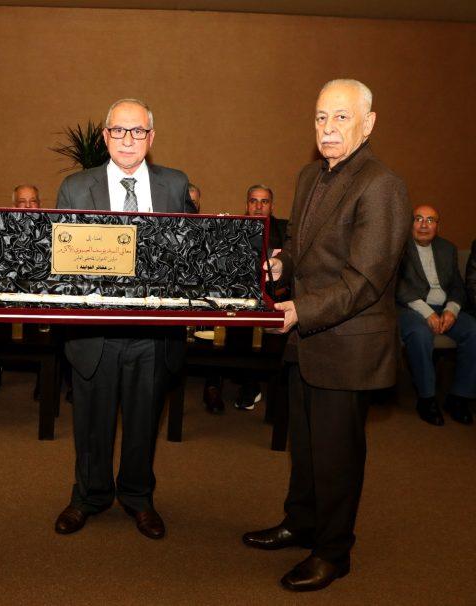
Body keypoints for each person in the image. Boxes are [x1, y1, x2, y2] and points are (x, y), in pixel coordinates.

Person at [242, 79, 410, 591]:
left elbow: (365, 280)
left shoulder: (381, 185)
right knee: (306, 446)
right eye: (320, 117)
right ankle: (301, 523)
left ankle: (334, 552)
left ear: (368, 123)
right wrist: (282, 264)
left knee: (337, 457)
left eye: (341, 117)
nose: (328, 128)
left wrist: (300, 310)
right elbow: (302, 245)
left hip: (347, 344)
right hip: (308, 340)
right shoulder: (309, 175)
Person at [54, 98, 193, 540]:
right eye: (118, 130)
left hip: (154, 332)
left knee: (142, 423)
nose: (127, 139)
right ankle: (88, 497)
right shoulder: (76, 187)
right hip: (94, 331)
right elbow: (59, 261)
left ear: (151, 138)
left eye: (137, 131)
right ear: (105, 136)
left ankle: (138, 497)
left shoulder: (175, 185)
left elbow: (189, 253)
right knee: (91, 423)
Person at [203, 184, 289, 413]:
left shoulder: (284, 231)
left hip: (273, 296)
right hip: (237, 295)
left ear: (272, 206)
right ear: (247, 204)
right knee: (219, 313)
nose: (259, 206)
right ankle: (213, 385)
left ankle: (249, 384)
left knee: (250, 322)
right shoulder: (235, 228)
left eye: (264, 201)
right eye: (253, 201)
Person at [396, 205, 476, 425]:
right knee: (420, 334)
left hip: (444, 307)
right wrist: (427, 312)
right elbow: (398, 286)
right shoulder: (399, 248)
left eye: (430, 220)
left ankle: (458, 398)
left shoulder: (447, 248)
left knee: (474, 331)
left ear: (437, 226)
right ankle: (427, 398)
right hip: (410, 307)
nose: (424, 225)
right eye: (419, 219)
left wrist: (452, 309)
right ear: (410, 223)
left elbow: (458, 286)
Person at [0, 185, 42, 398]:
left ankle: (45, 378)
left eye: (33, 201)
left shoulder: (50, 229)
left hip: (38, 292)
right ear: (14, 206)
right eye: (22, 202)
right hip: (6, 290)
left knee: (50, 315)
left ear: (39, 205)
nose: (28, 206)